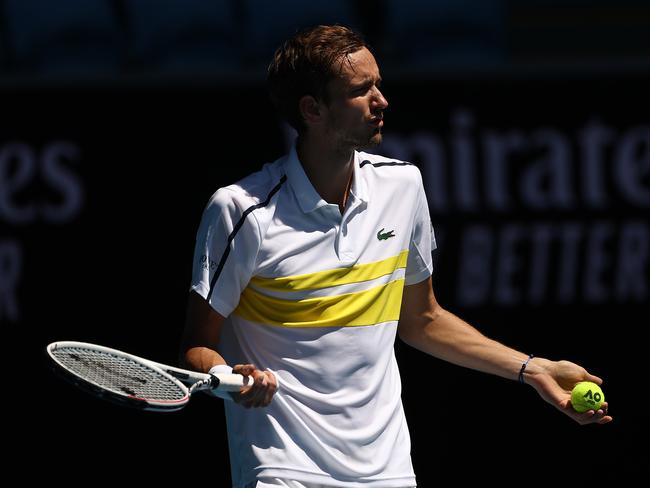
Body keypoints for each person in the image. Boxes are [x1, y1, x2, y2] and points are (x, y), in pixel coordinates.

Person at [180, 25, 612, 488]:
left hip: (388, 471)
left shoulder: (402, 186)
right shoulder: (240, 212)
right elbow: (196, 346)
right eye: (360, 90)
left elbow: (422, 320)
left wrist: (533, 369)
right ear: (312, 110)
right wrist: (230, 376)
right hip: (284, 469)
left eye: (378, 83)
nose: (381, 100)